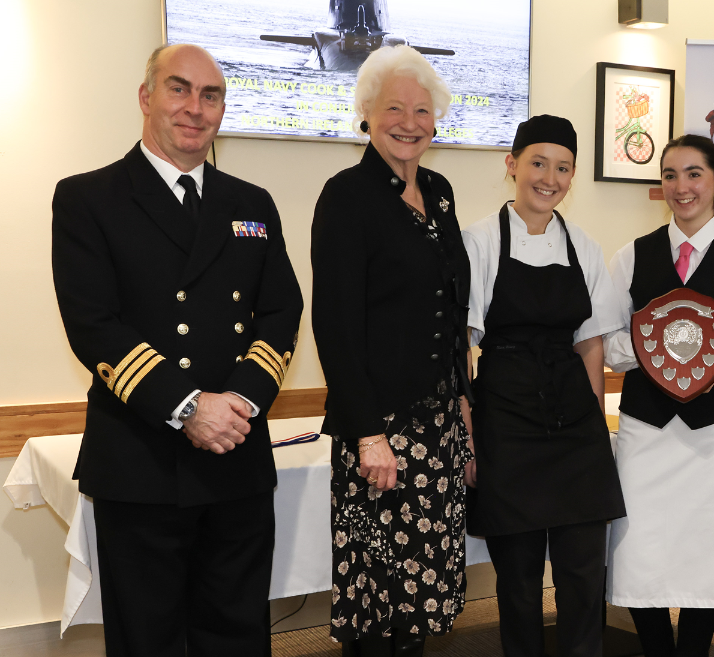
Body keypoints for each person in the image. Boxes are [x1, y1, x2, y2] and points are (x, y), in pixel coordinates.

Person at [50, 43, 304, 655]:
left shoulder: (252, 204)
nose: (195, 107)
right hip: (141, 461)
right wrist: (190, 407)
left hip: (236, 457)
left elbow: (281, 311)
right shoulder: (89, 198)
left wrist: (238, 403)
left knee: (238, 634)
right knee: (148, 639)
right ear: (146, 98)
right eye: (179, 89)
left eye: (210, 95)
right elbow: (94, 324)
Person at [310, 45, 473, 657]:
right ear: (367, 115)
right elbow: (335, 324)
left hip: (436, 426)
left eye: (422, 110)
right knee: (376, 595)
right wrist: (368, 433)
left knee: (421, 594)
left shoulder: (440, 191)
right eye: (394, 108)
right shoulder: (346, 196)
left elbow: (451, 310)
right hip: (378, 428)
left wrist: (463, 403)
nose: (409, 122)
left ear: (436, 120)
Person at [605, 134, 714, 657]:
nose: (681, 187)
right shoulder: (630, 256)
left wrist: (706, 361)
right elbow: (609, 347)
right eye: (669, 175)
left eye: (694, 174)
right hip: (645, 431)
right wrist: (659, 346)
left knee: (709, 553)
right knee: (640, 551)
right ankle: (658, 648)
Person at [464, 115, 626, 657]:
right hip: (506, 420)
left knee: (584, 573)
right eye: (538, 163)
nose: (549, 178)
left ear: (573, 175)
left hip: (574, 421)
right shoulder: (480, 239)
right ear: (512, 166)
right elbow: (462, 347)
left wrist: (594, 430)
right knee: (519, 578)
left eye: (563, 168)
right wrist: (469, 439)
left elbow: (591, 345)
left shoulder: (583, 245)